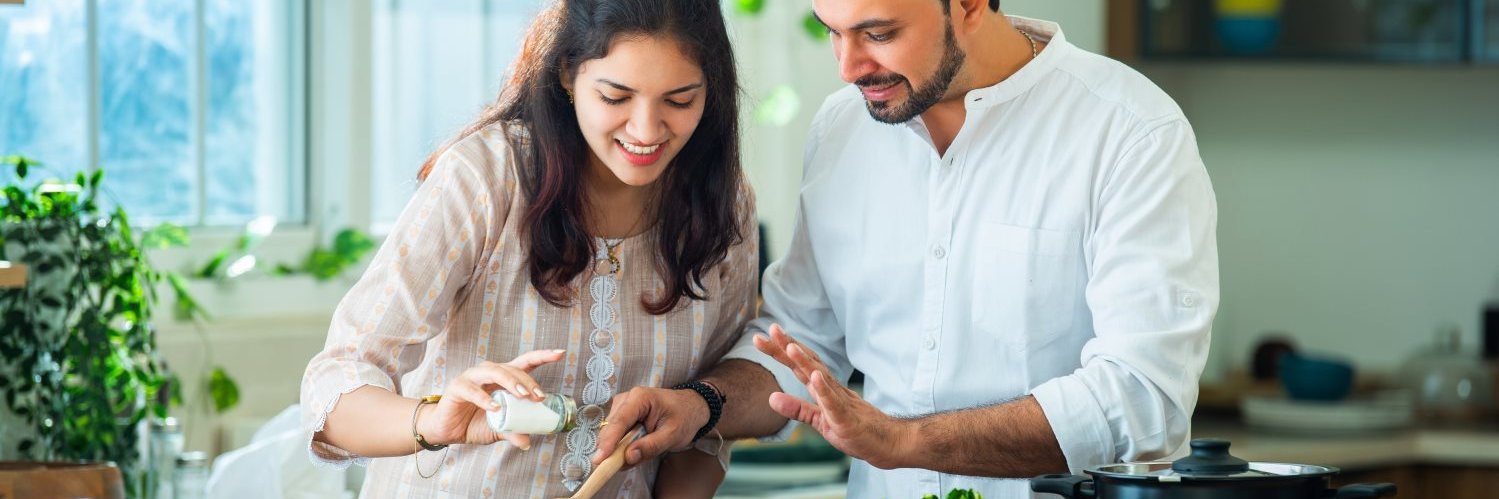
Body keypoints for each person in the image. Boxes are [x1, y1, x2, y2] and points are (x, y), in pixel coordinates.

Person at [592, 0, 1220, 497]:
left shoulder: (1130, 132)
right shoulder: (842, 126)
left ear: (968, 5)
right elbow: (801, 345)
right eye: (832, 32)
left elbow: (1142, 399)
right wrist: (699, 406)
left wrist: (903, 442)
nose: (848, 66)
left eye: (878, 33)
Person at [298, 0, 757, 497]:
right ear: (567, 73)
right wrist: (434, 421)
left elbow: (702, 424)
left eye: (680, 101)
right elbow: (335, 388)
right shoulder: (486, 177)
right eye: (615, 97)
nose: (646, 129)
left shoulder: (721, 204)